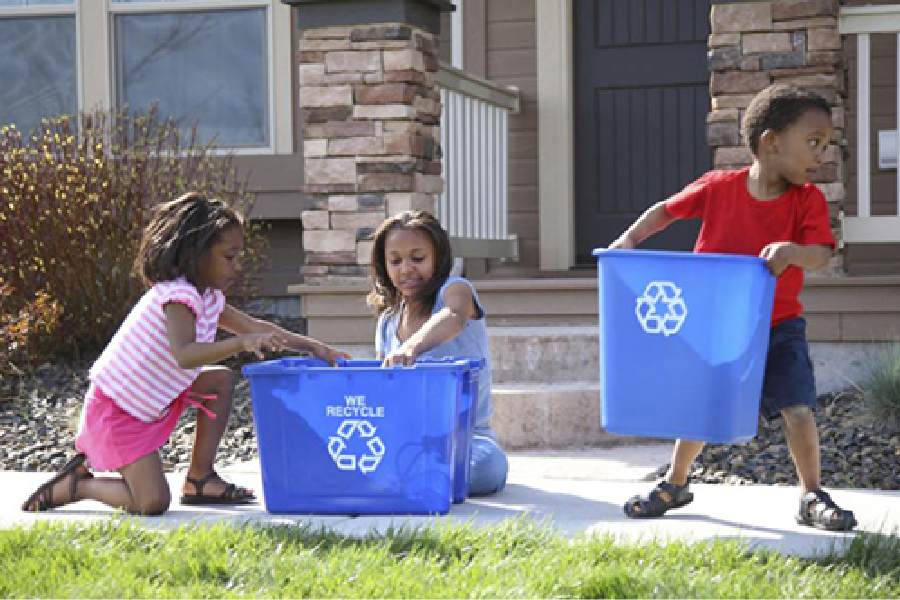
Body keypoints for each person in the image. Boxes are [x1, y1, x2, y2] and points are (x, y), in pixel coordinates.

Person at [609, 84, 856, 531]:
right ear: (771, 142)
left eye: (826, 144)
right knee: (702, 410)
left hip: (779, 326)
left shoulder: (807, 200)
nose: (821, 155)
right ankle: (676, 483)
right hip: (717, 327)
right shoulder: (718, 188)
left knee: (798, 408)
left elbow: (821, 254)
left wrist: (792, 252)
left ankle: (811, 494)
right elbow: (665, 211)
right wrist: (627, 242)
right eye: (813, 142)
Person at [22, 192, 349, 515]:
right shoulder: (178, 295)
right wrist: (239, 344)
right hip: (118, 408)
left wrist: (315, 347)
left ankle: (199, 478)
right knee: (151, 502)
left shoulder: (208, 296)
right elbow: (185, 354)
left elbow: (254, 326)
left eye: (239, 256)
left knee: (221, 381)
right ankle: (79, 485)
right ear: (197, 255)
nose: (238, 266)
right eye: (229, 257)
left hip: (150, 397)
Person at [367, 210, 508, 496]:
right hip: (409, 440)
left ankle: (414, 476)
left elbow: (454, 316)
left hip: (468, 441)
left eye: (417, 259)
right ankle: (418, 474)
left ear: (439, 257)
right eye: (395, 261)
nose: (406, 268)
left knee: (484, 469)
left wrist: (411, 346)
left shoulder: (456, 291)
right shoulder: (388, 321)